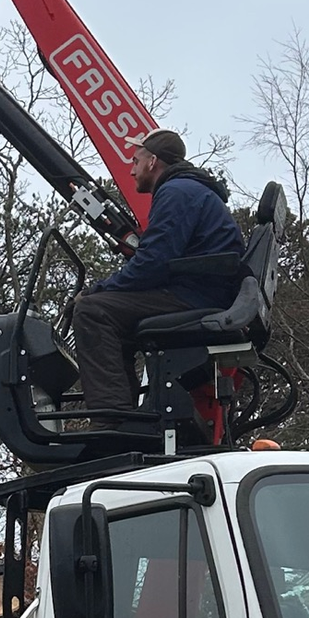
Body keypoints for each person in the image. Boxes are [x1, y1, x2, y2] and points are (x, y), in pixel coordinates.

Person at [71, 130, 244, 413]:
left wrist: (98, 289)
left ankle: (111, 417)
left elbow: (153, 263)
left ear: (152, 162)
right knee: (113, 316)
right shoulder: (191, 190)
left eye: (135, 161)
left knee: (93, 311)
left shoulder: (176, 193)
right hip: (203, 291)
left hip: (194, 295)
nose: (131, 170)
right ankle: (125, 411)